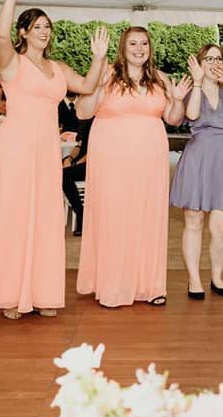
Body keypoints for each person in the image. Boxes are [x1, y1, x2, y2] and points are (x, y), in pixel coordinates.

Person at [0, 0, 109, 321]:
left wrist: (98, 58)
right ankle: (10, 294)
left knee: (46, 218)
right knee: (15, 217)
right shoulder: (12, 63)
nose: (44, 31)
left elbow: (88, 86)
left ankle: (42, 291)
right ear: (24, 32)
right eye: (38, 26)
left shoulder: (57, 68)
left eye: (48, 27)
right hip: (15, 148)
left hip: (45, 150)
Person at [75, 26, 190, 308]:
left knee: (147, 217)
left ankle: (149, 286)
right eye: (133, 44)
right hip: (111, 158)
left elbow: (174, 119)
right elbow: (82, 111)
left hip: (149, 159)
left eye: (144, 44)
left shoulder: (160, 79)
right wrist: (98, 70)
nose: (139, 49)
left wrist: (177, 99)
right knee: (114, 217)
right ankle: (112, 285)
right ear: (123, 48)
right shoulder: (106, 73)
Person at [169, 44, 223, 300]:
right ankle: (194, 279)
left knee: (221, 226)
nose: (214, 63)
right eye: (208, 58)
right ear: (199, 62)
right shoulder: (190, 89)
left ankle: (217, 276)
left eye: (218, 58)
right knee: (194, 221)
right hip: (197, 158)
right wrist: (198, 84)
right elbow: (191, 115)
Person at [61, 117, 92, 236]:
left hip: (93, 162)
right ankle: (79, 210)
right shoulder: (85, 122)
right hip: (81, 161)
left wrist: (76, 163)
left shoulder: (99, 120)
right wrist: (69, 158)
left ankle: (80, 213)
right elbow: (79, 147)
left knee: (65, 174)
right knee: (59, 171)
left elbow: (92, 151)